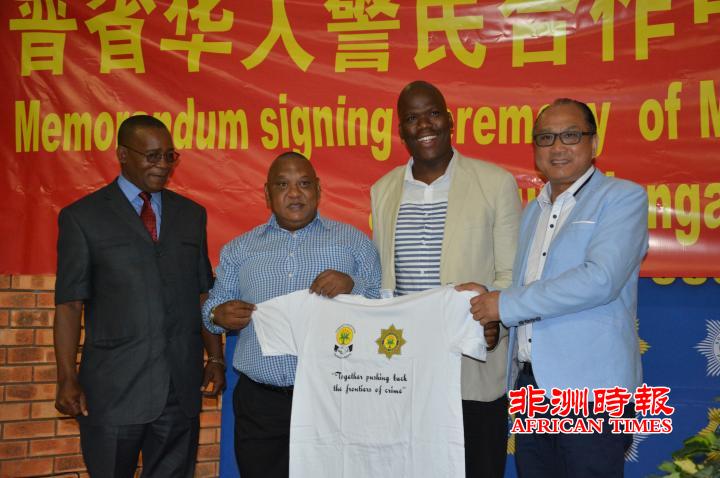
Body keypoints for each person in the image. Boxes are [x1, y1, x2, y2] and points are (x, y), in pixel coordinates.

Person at [462, 98, 648, 477]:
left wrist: (504, 304)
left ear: (594, 143)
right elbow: (528, 286)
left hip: (592, 393)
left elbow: (600, 279)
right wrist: (484, 296)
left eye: (571, 135)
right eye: (546, 138)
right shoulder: (533, 210)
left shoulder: (622, 197)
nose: (558, 147)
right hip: (532, 387)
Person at [53, 115, 225, 477]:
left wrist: (215, 357)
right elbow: (69, 304)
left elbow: (202, 293)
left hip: (178, 390)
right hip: (113, 391)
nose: (163, 165)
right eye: (152, 156)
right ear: (122, 155)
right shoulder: (83, 217)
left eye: (169, 156)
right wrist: (66, 376)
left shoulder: (191, 215)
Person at [371, 80, 521, 478]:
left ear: (450, 120)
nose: (424, 125)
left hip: (472, 367)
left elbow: (511, 275)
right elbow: (385, 282)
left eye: (433, 113)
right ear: (401, 130)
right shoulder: (383, 190)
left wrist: (492, 318)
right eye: (412, 118)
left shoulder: (495, 183)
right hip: (406, 371)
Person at [202, 151, 381, 478]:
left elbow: (382, 307)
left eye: (304, 184)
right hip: (261, 403)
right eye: (283, 185)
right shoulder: (240, 249)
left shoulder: (354, 243)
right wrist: (218, 315)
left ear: (319, 189)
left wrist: (353, 285)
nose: (294, 193)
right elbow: (211, 309)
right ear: (267, 193)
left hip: (335, 398)